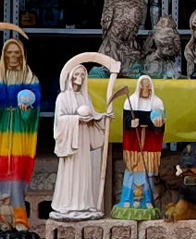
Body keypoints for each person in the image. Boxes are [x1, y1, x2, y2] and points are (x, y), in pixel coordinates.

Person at [50, 65, 111, 221]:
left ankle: (84, 204)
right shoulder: (62, 97)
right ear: (70, 76)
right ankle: (67, 205)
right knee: (71, 172)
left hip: (83, 139)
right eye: (77, 74)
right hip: (71, 141)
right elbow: (59, 120)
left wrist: (102, 117)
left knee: (84, 171)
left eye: (83, 75)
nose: (80, 77)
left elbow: (93, 114)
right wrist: (77, 119)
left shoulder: (85, 97)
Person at [111, 75, 165, 219]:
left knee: (148, 173)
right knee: (132, 171)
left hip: (148, 145)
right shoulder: (131, 101)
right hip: (134, 146)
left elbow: (159, 125)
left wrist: (158, 123)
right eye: (143, 85)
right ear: (139, 86)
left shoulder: (157, 102)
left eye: (148, 85)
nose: (145, 88)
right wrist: (130, 123)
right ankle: (127, 199)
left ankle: (148, 200)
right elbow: (126, 121)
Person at [0, 38, 40, 230]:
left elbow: (35, 97)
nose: (13, 56)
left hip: (19, 130)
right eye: (9, 52)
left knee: (16, 170)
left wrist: (27, 105)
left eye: (17, 52)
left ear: (22, 56)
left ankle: (19, 218)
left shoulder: (29, 77)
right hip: (1, 129)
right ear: (4, 55)